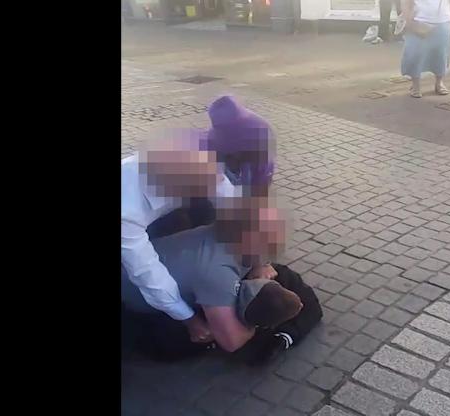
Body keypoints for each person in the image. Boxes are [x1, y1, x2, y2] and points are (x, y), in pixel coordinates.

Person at [121, 95, 276, 346]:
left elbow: (236, 211)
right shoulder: (127, 212)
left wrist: (260, 262)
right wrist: (189, 320)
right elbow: (147, 274)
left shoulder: (205, 159)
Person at [121, 204, 323, 362]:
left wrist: (263, 264)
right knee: (200, 337)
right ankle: (275, 335)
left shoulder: (228, 235)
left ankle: (284, 335)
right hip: (145, 304)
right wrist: (255, 326)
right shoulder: (216, 274)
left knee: (285, 279)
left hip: (169, 273)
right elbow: (232, 342)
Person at [400, 0, 450, 97]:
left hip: (442, 21)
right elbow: (406, 2)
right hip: (418, 21)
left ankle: (439, 82)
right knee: (415, 54)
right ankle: (415, 85)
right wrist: (409, 21)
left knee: (441, 54)